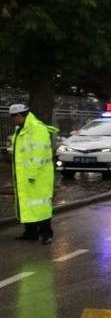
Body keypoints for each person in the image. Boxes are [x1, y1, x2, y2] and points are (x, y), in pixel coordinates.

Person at [9, 104, 58, 245]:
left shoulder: (37, 129)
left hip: (37, 177)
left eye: (14, 118)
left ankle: (46, 234)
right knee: (27, 205)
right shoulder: (21, 129)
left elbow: (39, 155)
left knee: (41, 206)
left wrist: (31, 174)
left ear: (19, 116)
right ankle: (30, 232)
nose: (13, 121)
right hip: (25, 176)